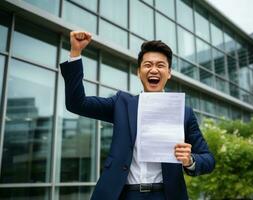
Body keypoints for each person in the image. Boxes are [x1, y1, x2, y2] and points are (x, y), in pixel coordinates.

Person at [60, 31, 215, 200]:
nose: (154, 69)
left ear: (169, 73)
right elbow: (77, 103)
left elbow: (208, 159)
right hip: (124, 194)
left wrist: (190, 160)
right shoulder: (121, 104)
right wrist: (75, 53)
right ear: (139, 72)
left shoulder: (184, 113)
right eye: (148, 65)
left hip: (165, 195)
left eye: (160, 65)